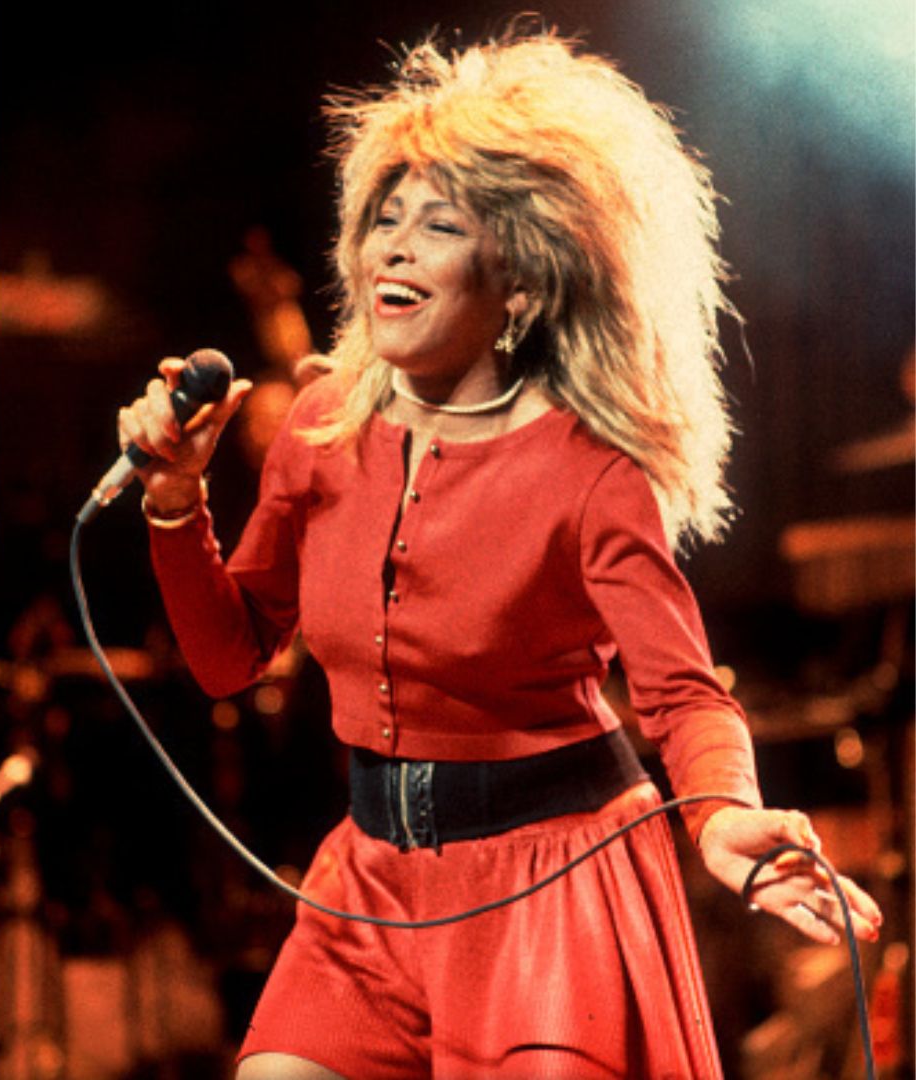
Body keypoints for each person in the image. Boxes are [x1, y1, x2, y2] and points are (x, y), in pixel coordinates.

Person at [115, 31, 885, 1080]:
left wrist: (723, 821)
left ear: (519, 283)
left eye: (437, 226)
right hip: (372, 883)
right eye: (384, 220)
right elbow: (228, 658)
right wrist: (172, 502)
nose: (393, 248)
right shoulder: (323, 425)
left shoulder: (589, 470)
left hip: (552, 890)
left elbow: (685, 695)